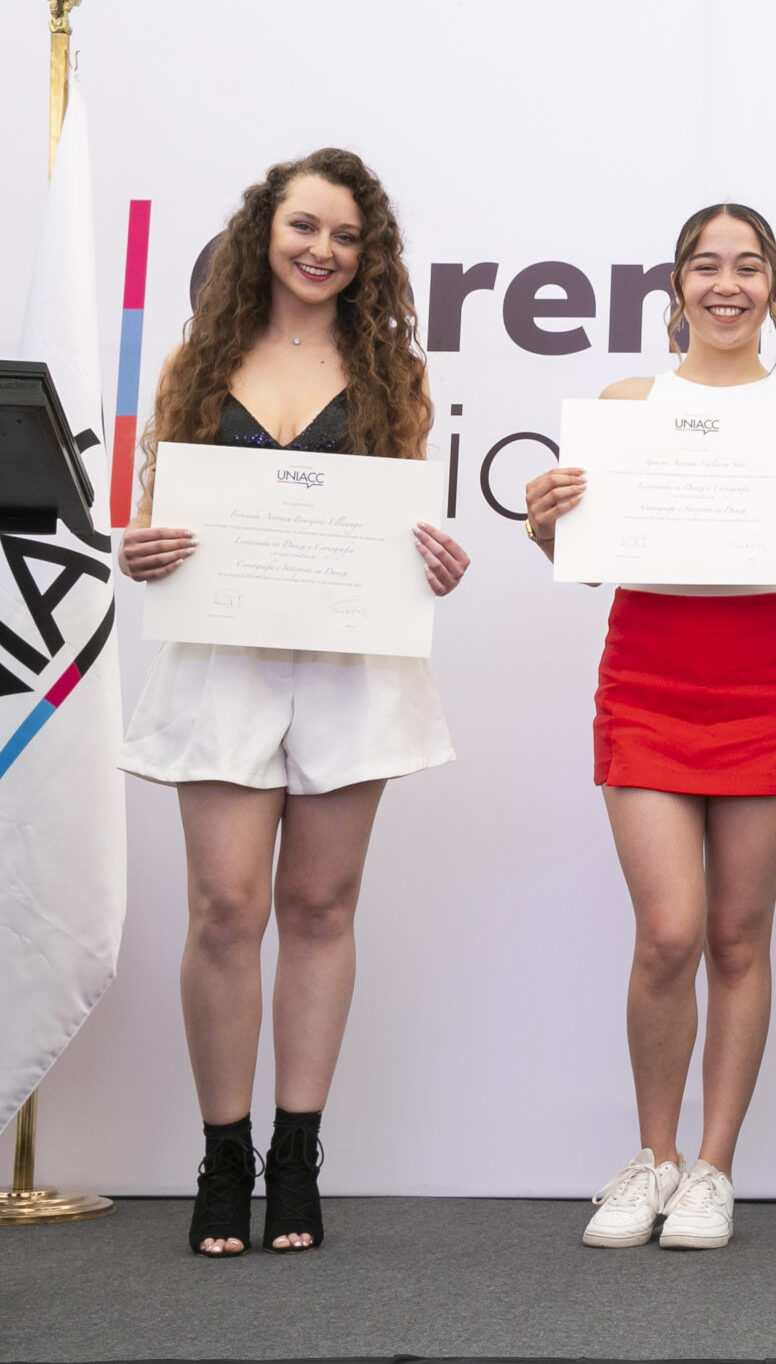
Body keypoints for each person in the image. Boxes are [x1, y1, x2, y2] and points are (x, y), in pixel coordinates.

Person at [118, 149, 472, 1256]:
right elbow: (154, 516)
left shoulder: (391, 374)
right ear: (262, 232)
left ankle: (297, 1154)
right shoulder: (193, 362)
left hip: (349, 666)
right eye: (305, 226)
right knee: (226, 908)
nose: (323, 250)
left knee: (320, 907)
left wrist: (434, 564)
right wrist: (141, 548)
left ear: (370, 256)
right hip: (221, 660)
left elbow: (399, 526)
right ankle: (223, 1157)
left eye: (347, 236)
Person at [522, 204, 776, 1251]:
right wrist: (546, 527)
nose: (727, 284)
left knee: (738, 937)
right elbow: (585, 560)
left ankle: (714, 1169)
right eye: (707, 266)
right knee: (668, 932)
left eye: (748, 266)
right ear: (677, 284)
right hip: (647, 676)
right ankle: (652, 1157)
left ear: (774, 286)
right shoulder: (628, 406)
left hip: (761, 680)